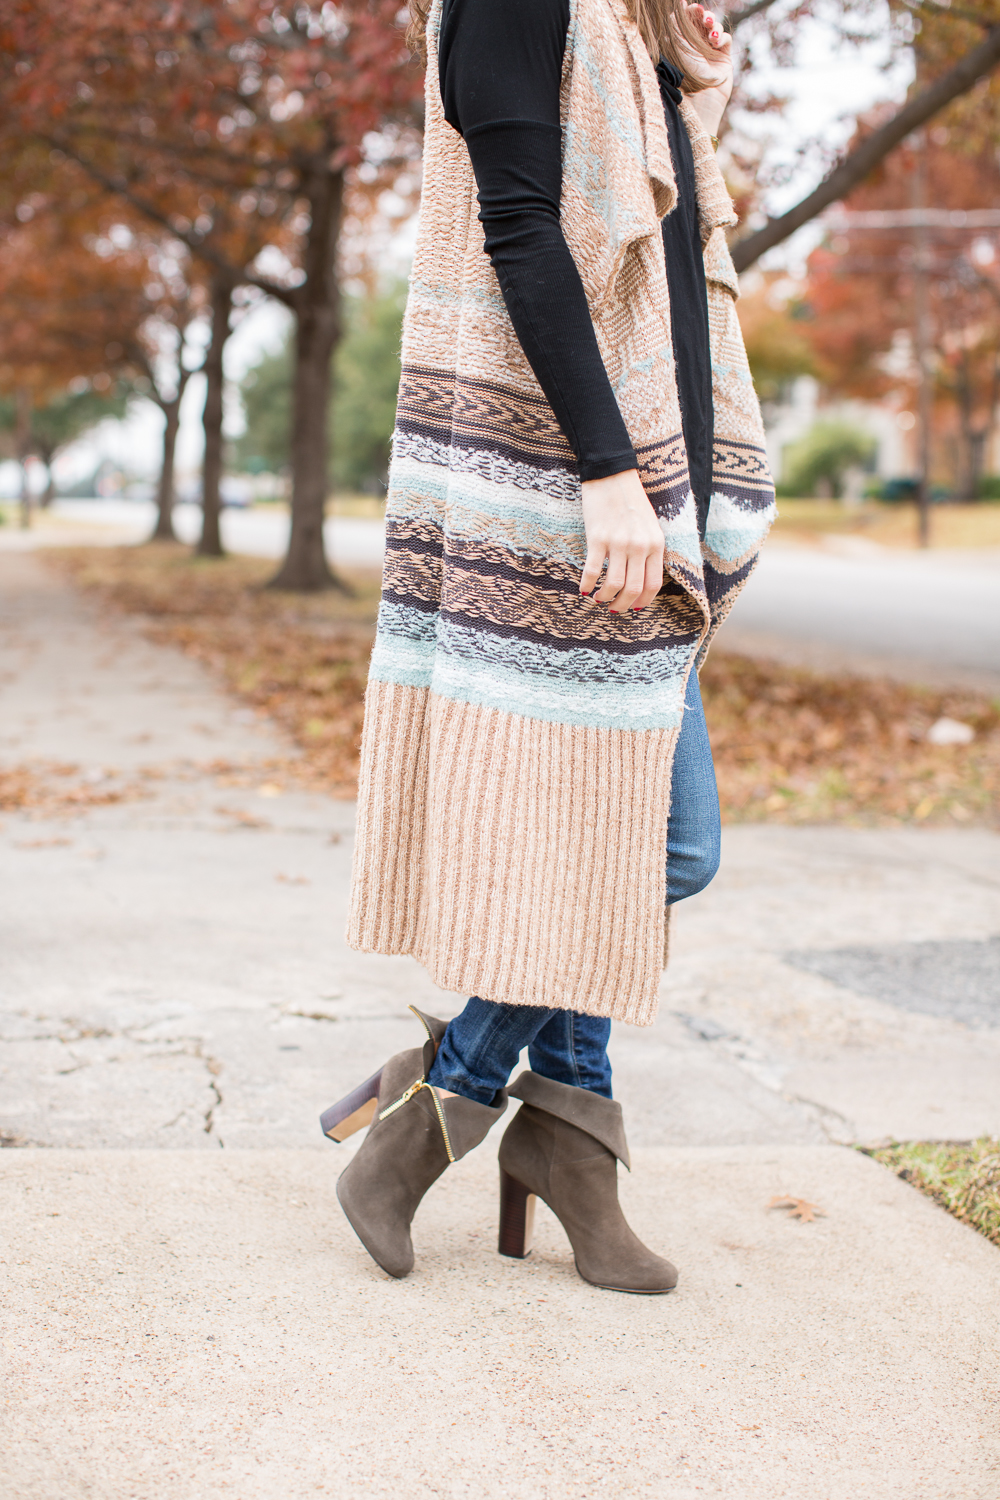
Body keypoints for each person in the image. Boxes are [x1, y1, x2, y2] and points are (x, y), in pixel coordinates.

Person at [323, 0, 775, 1292]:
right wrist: (607, 473)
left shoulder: (627, 36)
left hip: (653, 493)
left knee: (605, 838)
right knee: (664, 847)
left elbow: (658, 237)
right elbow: (525, 226)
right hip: (573, 504)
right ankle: (443, 1109)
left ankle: (564, 1141)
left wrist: (698, 73)